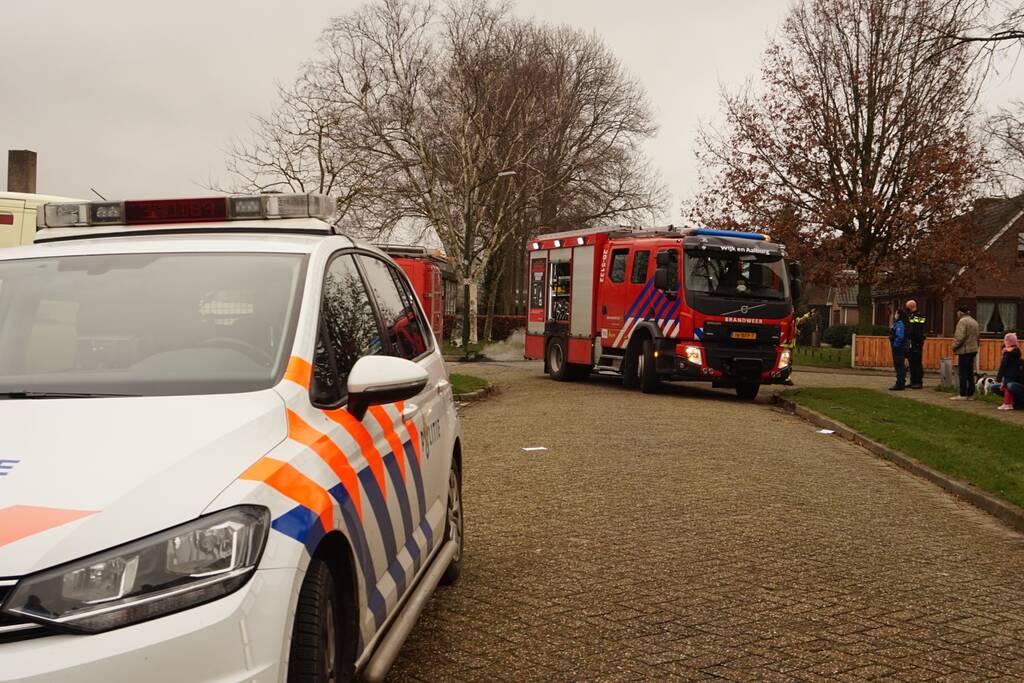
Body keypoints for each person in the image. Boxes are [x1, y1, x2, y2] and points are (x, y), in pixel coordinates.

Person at [950, 305, 979, 400]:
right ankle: (971, 393)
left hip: (964, 350)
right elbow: (978, 337)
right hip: (973, 349)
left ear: (960, 313)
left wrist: (954, 346)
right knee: (970, 372)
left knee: (963, 372)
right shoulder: (974, 321)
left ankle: (963, 394)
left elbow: (960, 337)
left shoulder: (962, 322)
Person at [995, 332, 1024, 411]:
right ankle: (1008, 403)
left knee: (1007, 387)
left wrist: (999, 378)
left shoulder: (1008, 354)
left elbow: (1003, 366)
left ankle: (1008, 404)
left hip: (1010, 376)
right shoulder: (1015, 353)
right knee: (1006, 387)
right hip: (1011, 376)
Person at [904, 299, 927, 389]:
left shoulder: (918, 315)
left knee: (917, 362)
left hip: (917, 341)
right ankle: (913, 381)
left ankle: (918, 382)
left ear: (911, 306)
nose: (906, 309)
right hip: (912, 341)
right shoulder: (911, 315)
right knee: (912, 362)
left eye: (907, 307)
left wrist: (909, 334)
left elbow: (916, 328)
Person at [889, 309, 909, 390]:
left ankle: (900, 384)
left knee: (899, 366)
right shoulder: (899, 323)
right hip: (900, 347)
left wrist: (895, 345)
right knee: (900, 365)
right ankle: (901, 383)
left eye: (896, 313)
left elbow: (900, 336)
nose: (895, 315)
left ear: (899, 315)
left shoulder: (900, 324)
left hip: (899, 348)